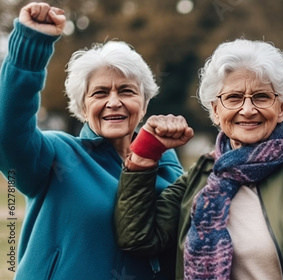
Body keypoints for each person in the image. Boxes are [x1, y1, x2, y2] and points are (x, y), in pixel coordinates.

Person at [114, 38, 283, 279]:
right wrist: (145, 154)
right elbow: (138, 238)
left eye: (261, 96)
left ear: (281, 107)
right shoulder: (198, 178)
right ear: (216, 111)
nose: (247, 109)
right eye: (234, 98)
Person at [0, 3, 188, 279]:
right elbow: (8, 132)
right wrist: (30, 47)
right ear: (83, 107)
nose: (114, 102)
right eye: (100, 93)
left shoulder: (168, 165)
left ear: (144, 104)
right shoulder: (57, 155)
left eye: (126, 91)